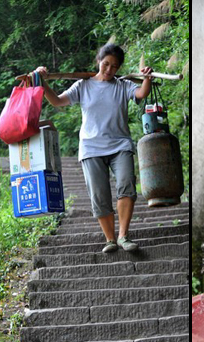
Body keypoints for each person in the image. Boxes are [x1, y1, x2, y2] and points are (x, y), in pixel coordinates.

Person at [35, 43, 154, 253]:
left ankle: (123, 236)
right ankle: (110, 239)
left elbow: (142, 93)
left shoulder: (122, 85)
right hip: (91, 148)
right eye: (106, 64)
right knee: (99, 195)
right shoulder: (83, 85)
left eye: (114, 66)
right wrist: (41, 82)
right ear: (98, 61)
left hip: (120, 145)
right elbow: (56, 101)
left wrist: (146, 78)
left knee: (127, 184)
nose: (109, 70)